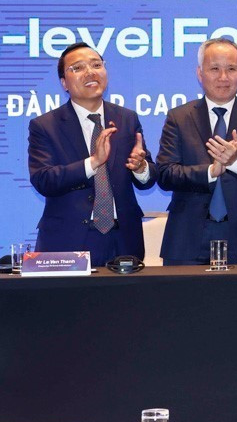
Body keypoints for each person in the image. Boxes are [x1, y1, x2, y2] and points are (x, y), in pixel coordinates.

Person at [28, 42, 157, 267]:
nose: (90, 72)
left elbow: (148, 180)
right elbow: (44, 180)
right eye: (78, 68)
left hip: (123, 240)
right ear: (64, 83)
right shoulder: (45, 125)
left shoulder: (126, 119)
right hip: (67, 241)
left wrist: (141, 168)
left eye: (96, 65)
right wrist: (93, 163)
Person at [156, 37, 237, 265]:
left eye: (231, 69)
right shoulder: (179, 117)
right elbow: (165, 174)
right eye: (215, 69)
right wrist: (210, 172)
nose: (223, 77)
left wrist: (235, 162)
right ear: (200, 73)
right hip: (187, 238)